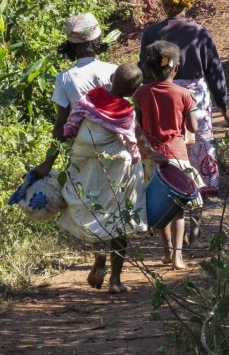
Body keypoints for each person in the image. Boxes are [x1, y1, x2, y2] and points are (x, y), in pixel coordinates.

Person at [62, 63, 167, 293]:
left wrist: (70, 136)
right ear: (133, 92)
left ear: (111, 77)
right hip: (117, 171)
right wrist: (152, 154)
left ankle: (99, 262)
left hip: (88, 166)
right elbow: (137, 139)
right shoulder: (126, 112)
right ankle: (115, 280)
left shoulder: (91, 97)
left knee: (97, 214)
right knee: (120, 222)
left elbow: (72, 122)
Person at [139, 0, 229, 197]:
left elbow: (145, 69)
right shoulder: (199, 32)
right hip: (196, 96)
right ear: (189, 0)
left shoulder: (152, 33)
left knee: (169, 142)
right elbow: (215, 70)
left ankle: (171, 189)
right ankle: (202, 192)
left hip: (162, 96)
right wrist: (224, 105)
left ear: (163, 1)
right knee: (199, 142)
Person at [133, 41, 204, 270]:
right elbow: (193, 127)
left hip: (151, 158)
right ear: (177, 67)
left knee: (160, 206)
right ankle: (177, 257)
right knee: (178, 210)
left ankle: (165, 253)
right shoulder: (185, 94)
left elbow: (137, 124)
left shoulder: (141, 93)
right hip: (177, 156)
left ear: (148, 69)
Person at [33, 12, 117, 178]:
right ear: (98, 40)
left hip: (83, 151)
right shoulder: (114, 70)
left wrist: (47, 163)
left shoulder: (64, 78)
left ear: (69, 46)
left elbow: (61, 124)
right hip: (115, 148)